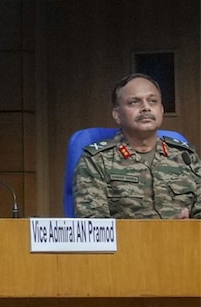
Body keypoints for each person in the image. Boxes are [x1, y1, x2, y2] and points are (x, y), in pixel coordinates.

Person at [73, 73, 200, 219]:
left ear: (161, 110)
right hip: (126, 236)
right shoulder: (96, 161)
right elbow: (94, 225)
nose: (146, 107)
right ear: (117, 115)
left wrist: (190, 227)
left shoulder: (186, 157)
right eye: (134, 102)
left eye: (152, 101)